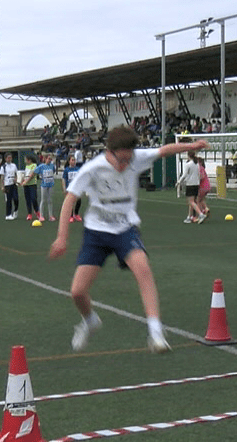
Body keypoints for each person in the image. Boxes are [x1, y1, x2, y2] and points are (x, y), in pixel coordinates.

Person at [47, 126, 209, 354]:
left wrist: (191, 146)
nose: (125, 164)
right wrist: (62, 238)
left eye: (128, 159)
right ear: (109, 152)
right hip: (97, 232)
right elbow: (69, 200)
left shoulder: (136, 157)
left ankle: (156, 333)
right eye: (121, 160)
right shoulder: (93, 168)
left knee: (143, 269)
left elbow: (164, 150)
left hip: (125, 229)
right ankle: (90, 320)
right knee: (77, 292)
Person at [180, 150, 204, 224]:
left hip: (190, 184)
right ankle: (189, 217)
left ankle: (201, 214)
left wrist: (179, 182)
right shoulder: (196, 164)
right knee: (192, 201)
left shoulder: (188, 164)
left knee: (191, 201)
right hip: (196, 184)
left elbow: (184, 175)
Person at [35, 154, 57, 222]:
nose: (49, 160)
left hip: (50, 185)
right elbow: (35, 172)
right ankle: (41, 215)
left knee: (50, 200)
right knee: (43, 200)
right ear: (45, 159)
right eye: (48, 159)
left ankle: (50, 215)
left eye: (50, 159)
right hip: (44, 185)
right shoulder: (41, 166)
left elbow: (53, 172)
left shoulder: (52, 166)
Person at [61, 155, 83, 222]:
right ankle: (70, 216)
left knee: (79, 200)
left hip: (77, 187)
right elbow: (64, 179)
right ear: (69, 161)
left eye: (74, 160)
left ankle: (76, 214)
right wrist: (64, 188)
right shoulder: (67, 169)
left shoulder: (78, 169)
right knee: (70, 202)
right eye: (72, 160)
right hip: (69, 188)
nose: (74, 161)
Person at [0, 153, 19, 220]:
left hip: (13, 184)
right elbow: (2, 177)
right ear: (5, 159)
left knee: (16, 198)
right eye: (8, 158)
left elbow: (16, 174)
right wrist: (2, 186)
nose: (9, 159)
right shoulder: (3, 167)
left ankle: (16, 210)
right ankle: (8, 214)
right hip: (7, 184)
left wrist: (16, 179)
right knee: (9, 200)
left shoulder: (14, 165)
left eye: (10, 157)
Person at [22, 156, 39, 220]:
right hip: (26, 185)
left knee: (34, 198)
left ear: (29, 160)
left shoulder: (34, 165)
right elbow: (25, 175)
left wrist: (26, 181)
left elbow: (32, 175)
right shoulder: (26, 166)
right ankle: (29, 213)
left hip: (32, 184)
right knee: (27, 199)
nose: (25, 161)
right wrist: (22, 181)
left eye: (26, 160)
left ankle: (37, 211)